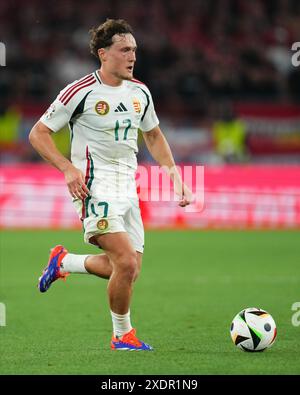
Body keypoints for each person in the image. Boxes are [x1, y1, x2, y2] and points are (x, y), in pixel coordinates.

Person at [29, 19, 192, 351]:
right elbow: (38, 133)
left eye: (134, 49)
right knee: (126, 262)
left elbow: (153, 135)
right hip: (93, 185)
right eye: (125, 49)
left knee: (129, 269)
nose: (132, 56)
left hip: (128, 187)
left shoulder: (140, 92)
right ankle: (122, 336)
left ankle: (64, 262)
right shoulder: (80, 91)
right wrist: (67, 168)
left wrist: (174, 176)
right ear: (104, 54)